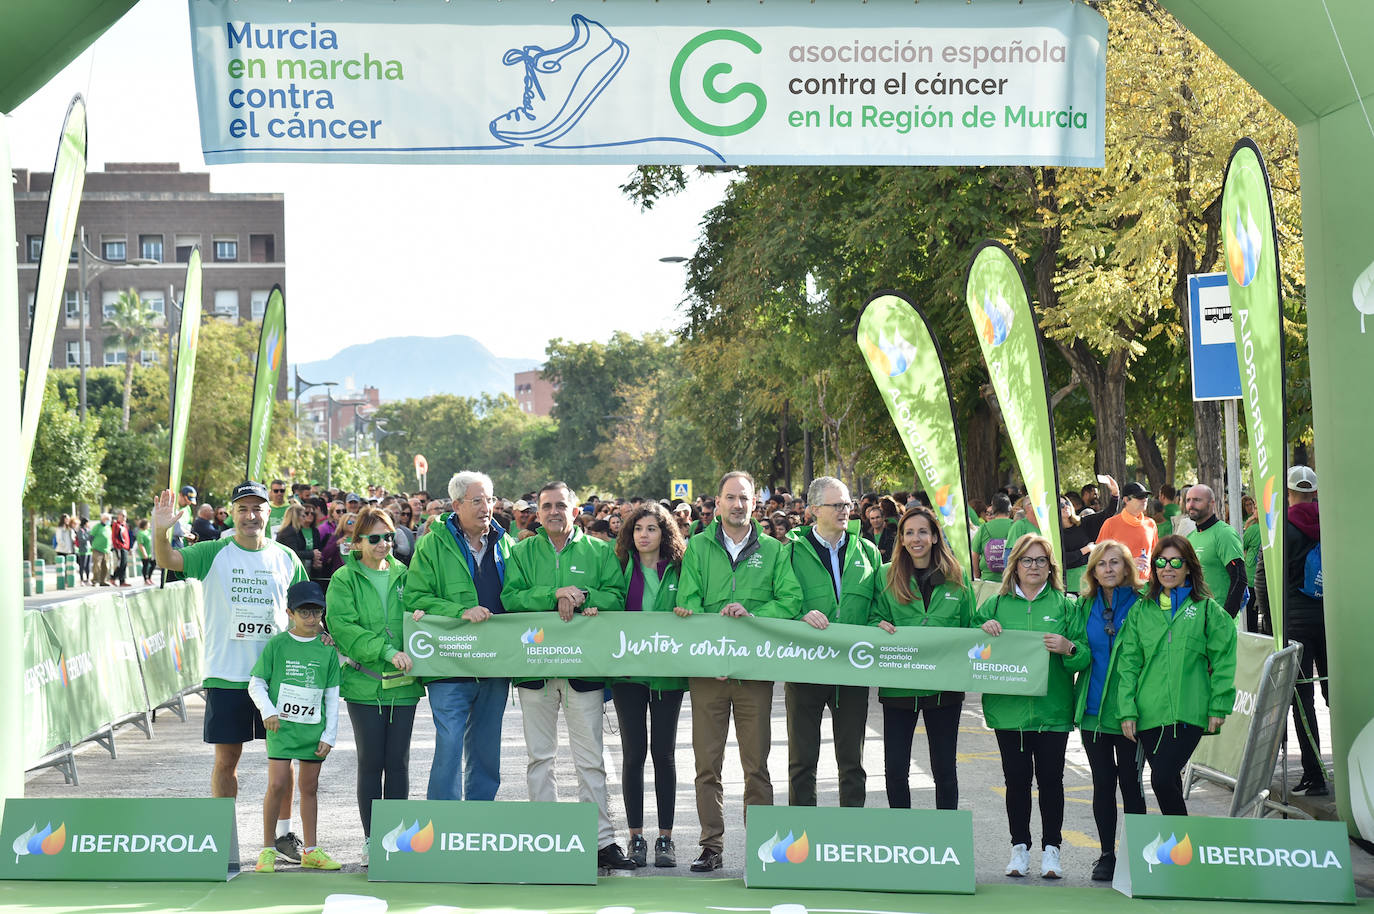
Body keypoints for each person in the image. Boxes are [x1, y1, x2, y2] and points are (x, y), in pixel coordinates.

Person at [151, 481, 310, 864]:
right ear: (233, 513)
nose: (251, 515)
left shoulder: (287, 557)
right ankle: (224, 838)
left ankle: (284, 836)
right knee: (226, 762)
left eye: (257, 508)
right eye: (243, 509)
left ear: (268, 513)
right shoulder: (214, 552)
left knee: (282, 765)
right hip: (227, 675)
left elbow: (306, 610)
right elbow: (167, 560)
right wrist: (159, 531)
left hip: (277, 679)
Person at [502, 481, 636, 870]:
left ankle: (602, 843)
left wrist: (584, 595)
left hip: (583, 669)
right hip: (535, 670)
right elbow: (511, 598)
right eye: (547, 506)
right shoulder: (522, 551)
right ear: (537, 512)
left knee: (590, 758)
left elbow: (617, 596)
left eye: (562, 505)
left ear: (576, 511)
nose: (554, 511)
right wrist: (553, 593)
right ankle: (548, 838)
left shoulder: (598, 550)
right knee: (539, 758)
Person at [676, 470, 802, 873]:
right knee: (706, 765)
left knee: (757, 765)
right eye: (730, 497)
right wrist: (716, 625)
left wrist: (752, 614)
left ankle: (761, 849)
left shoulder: (774, 550)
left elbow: (791, 601)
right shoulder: (696, 547)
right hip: (708, 674)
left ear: (754, 504)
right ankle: (710, 845)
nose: (737, 504)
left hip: (753, 675)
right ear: (717, 501)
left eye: (744, 498)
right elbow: (687, 601)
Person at [975, 534, 1088, 880]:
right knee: (1017, 782)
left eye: (1041, 561)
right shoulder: (996, 605)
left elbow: (1083, 655)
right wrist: (982, 630)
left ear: (1051, 567)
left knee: (1052, 782)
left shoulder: (1065, 606)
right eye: (1027, 560)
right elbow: (969, 644)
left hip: (1052, 713)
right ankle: (1019, 848)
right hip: (1007, 712)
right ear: (1015, 566)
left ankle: (1052, 851)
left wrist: (1069, 648)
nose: (1034, 567)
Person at [405, 471, 513, 804]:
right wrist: (459, 611)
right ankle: (443, 822)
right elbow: (415, 598)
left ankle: (478, 821)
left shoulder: (505, 542)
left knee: (486, 748)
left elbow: (518, 595)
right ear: (456, 504)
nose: (486, 507)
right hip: (448, 661)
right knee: (449, 745)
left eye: (490, 499)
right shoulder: (432, 543)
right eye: (477, 500)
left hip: (494, 664)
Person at [328, 505, 421, 866]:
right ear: (358, 543)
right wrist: (386, 650)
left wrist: (422, 621)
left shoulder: (405, 574)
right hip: (365, 686)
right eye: (375, 538)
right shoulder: (343, 579)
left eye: (388, 536)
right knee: (371, 763)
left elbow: (420, 612)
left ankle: (395, 841)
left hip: (404, 686)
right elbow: (344, 627)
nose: (384, 544)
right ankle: (371, 841)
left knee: (398, 764)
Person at [1117, 535, 1236, 815]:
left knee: (1160, 779)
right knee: (1166, 781)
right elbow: (1129, 664)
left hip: (1189, 713)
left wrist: (1219, 704)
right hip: (1148, 713)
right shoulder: (1141, 611)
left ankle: (1183, 847)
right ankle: (1182, 852)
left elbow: (1224, 661)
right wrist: (1127, 710)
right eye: (1161, 561)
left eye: (1175, 562)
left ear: (1189, 567)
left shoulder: (1208, 610)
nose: (1167, 568)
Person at [785, 476, 883, 809]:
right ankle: (802, 834)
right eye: (836, 505)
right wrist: (799, 615)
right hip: (806, 668)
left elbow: (876, 605)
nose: (845, 511)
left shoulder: (867, 550)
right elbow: (781, 602)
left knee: (852, 763)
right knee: (802, 762)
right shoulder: (791, 553)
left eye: (847, 504)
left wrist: (877, 621)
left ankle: (852, 833)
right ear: (814, 510)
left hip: (852, 669)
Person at [871, 505, 973, 811]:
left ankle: (947, 836)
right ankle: (904, 836)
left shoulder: (956, 577)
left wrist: (987, 627)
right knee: (896, 770)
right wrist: (876, 625)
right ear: (901, 538)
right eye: (910, 532)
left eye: (923, 532)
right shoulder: (885, 576)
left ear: (934, 537)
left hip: (944, 689)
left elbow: (969, 626)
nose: (916, 538)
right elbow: (873, 617)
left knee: (944, 770)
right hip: (899, 688)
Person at [611, 503, 688, 869]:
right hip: (628, 675)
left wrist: (687, 608)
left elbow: (692, 604)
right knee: (633, 754)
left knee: (664, 755)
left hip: (667, 675)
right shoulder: (621, 567)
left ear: (664, 533)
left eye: (652, 528)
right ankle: (636, 837)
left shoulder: (679, 568)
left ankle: (666, 840)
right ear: (630, 534)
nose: (644, 534)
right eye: (638, 528)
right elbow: (607, 600)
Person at [248, 581, 342, 873]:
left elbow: (332, 695)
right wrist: (268, 710)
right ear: (290, 612)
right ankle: (267, 849)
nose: (311, 618)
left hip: (313, 730)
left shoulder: (328, 649)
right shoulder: (277, 644)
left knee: (309, 787)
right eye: (304, 612)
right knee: (276, 785)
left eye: (316, 612)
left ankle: (312, 850)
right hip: (281, 730)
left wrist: (330, 734)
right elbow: (256, 683)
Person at [1073, 540, 1145, 882]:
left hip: (1132, 711)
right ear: (1093, 571)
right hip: (1093, 711)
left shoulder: (1145, 603)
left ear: (1127, 567)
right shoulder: (1084, 606)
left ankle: (1137, 854)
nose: (1109, 569)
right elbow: (1075, 650)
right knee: (1103, 783)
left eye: (1115, 562)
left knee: (1132, 784)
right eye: (1102, 564)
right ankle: (1106, 854)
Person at [1276, 465, 1329, 795]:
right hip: (1331, 617)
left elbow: (1265, 578)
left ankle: (1315, 776)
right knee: (1336, 695)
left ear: (1290, 491)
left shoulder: (1283, 526)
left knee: (1303, 699)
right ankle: (1355, 771)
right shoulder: (1332, 520)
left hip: (1295, 619)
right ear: (1315, 491)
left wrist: (1270, 622)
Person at [1184, 484, 1247, 618]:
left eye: (1197, 500)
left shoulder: (1224, 534)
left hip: (1219, 618)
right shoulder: (1190, 538)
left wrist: (1225, 617)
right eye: (1188, 500)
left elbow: (1239, 578)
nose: (1191, 504)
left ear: (1212, 503)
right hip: (1196, 617)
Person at [1060, 476, 1120, 592]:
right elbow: (1061, 558)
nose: (1065, 506)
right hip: (1067, 585)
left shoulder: (1083, 523)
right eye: (1061, 505)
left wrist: (1115, 493)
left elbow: (1108, 513)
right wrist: (1085, 550)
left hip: (1089, 581)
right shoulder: (1054, 533)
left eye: (1067, 503)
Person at [1097, 482, 1158, 583]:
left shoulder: (1150, 524)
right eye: (1139, 497)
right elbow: (1099, 557)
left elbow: (1155, 555)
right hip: (1119, 584)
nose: (1144, 500)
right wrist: (1129, 564)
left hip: (1146, 585)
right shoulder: (1110, 524)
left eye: (1146, 496)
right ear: (1126, 500)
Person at [278, 504, 328, 594]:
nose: (305, 518)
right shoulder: (289, 532)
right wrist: (312, 554)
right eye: (303, 516)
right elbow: (293, 553)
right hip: (286, 571)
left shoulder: (296, 531)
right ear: (296, 517)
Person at [971, 493, 1014, 582]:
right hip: (1011, 580)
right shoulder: (1016, 526)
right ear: (1010, 509)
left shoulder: (984, 527)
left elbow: (974, 554)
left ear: (993, 509)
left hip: (988, 580)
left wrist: (977, 576)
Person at [1241, 494, 1263, 633]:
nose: (1252, 510)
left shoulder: (1253, 529)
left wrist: (1248, 524)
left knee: (1251, 616)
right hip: (1267, 576)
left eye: (1254, 507)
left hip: (1252, 576)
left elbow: (1241, 545)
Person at [110, 510, 132, 586]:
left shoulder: (124, 525)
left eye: (125, 516)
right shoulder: (116, 525)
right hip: (120, 547)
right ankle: (117, 579)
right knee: (121, 563)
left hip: (125, 547)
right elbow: (114, 537)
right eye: (123, 515)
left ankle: (118, 579)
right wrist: (119, 545)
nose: (124, 517)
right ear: (119, 516)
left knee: (124, 563)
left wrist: (128, 547)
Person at [90, 512, 112, 586]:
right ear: (103, 519)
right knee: (97, 565)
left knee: (106, 566)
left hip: (106, 550)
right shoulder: (97, 527)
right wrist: (92, 546)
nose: (109, 520)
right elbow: (91, 537)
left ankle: (103, 580)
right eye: (107, 519)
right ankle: (95, 581)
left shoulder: (108, 527)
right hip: (97, 549)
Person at [135, 519, 155, 584]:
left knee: (153, 564)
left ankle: (149, 577)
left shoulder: (148, 531)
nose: (149, 525)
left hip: (151, 553)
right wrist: (144, 553)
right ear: (144, 525)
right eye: (148, 524)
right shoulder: (140, 533)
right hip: (144, 552)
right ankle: (145, 579)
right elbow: (140, 544)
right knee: (145, 565)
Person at [74, 516, 92, 584]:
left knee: (88, 566)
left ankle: (88, 579)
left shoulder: (88, 530)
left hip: (89, 550)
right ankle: (81, 579)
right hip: (83, 550)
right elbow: (81, 539)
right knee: (82, 565)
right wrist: (89, 537)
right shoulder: (81, 531)